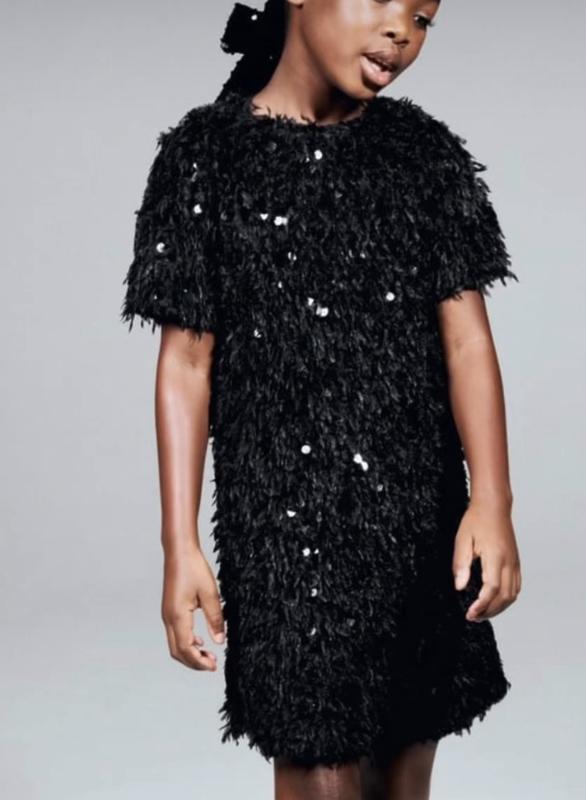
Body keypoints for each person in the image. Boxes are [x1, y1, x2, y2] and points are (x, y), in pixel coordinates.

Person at [120, 1, 522, 797]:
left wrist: (493, 503)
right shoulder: (205, 158)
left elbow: (468, 342)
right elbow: (186, 363)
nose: (402, 30)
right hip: (286, 537)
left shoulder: (424, 156)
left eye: (423, 17)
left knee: (404, 769)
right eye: (384, 0)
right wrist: (180, 544)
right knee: (318, 764)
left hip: (418, 525)